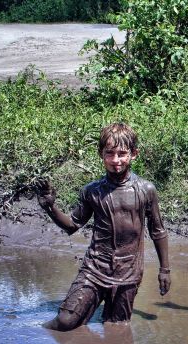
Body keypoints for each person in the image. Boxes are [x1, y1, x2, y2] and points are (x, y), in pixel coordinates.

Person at [35, 122, 171, 331]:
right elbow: (72, 225)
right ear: (101, 154)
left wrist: (165, 270)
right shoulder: (92, 191)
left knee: (117, 327)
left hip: (129, 272)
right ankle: (35, 329)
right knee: (65, 321)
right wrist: (50, 207)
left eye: (122, 153)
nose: (116, 160)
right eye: (110, 153)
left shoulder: (146, 190)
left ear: (134, 154)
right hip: (95, 268)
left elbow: (158, 231)